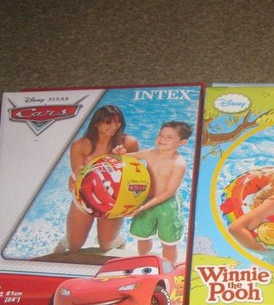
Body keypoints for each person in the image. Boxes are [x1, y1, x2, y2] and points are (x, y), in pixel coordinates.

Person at [57, 105, 139, 254]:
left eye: (118, 122)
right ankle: (65, 241)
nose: (114, 127)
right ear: (96, 123)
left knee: (105, 245)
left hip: (115, 199)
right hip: (86, 196)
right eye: (108, 123)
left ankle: (119, 240)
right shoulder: (80, 145)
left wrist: (135, 201)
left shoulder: (129, 143)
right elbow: (78, 173)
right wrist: (73, 177)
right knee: (74, 245)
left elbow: (135, 174)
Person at [115, 121, 192, 262]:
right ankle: (143, 260)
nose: (162, 139)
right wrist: (120, 153)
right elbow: (125, 158)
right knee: (143, 237)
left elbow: (169, 192)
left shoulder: (179, 164)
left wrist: (142, 207)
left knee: (168, 242)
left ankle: (170, 267)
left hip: (167, 206)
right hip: (145, 200)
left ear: (182, 142)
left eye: (169, 137)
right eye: (160, 135)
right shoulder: (149, 153)